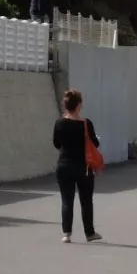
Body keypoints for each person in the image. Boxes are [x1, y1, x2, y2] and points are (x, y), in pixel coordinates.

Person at [52, 88, 101, 243]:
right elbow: (95, 143)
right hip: (84, 167)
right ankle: (89, 233)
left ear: (66, 106)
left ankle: (67, 234)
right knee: (86, 200)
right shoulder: (86, 124)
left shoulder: (59, 123)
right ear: (79, 106)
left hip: (64, 165)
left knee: (67, 200)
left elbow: (56, 143)